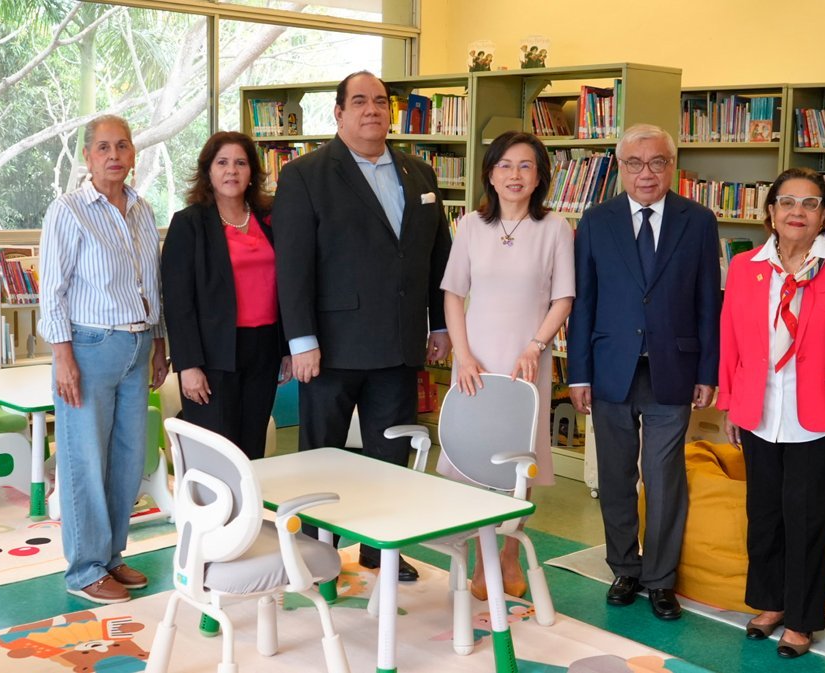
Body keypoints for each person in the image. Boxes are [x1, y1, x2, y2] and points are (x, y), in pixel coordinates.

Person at [272, 71, 452, 581]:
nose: (372, 109)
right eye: (360, 102)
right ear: (339, 113)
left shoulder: (419, 174)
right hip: (331, 347)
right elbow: (294, 265)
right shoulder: (305, 174)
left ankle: (382, 551)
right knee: (322, 456)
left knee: (390, 452)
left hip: (398, 344)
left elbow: (437, 257)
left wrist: (439, 325)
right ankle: (314, 554)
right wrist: (301, 340)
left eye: (380, 101)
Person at [718, 167, 825, 658]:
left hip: (823, 411)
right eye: (787, 202)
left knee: (806, 517)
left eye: (809, 204)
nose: (797, 212)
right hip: (759, 406)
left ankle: (803, 617)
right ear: (770, 212)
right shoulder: (746, 266)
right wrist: (730, 402)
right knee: (763, 513)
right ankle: (769, 602)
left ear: (824, 216)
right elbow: (731, 340)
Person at [567, 123, 721, 620]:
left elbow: (706, 301)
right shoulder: (595, 221)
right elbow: (584, 302)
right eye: (634, 163)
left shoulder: (697, 221)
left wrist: (708, 370)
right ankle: (624, 567)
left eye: (657, 162)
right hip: (610, 368)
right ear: (621, 168)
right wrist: (578, 374)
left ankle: (660, 578)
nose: (646, 173)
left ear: (672, 167)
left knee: (663, 475)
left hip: (673, 369)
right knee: (615, 474)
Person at [38, 115, 169, 604]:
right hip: (89, 349)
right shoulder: (68, 211)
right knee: (84, 462)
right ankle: (84, 569)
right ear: (88, 157)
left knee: (127, 462)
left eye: (123, 146)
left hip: (137, 348)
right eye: (103, 148)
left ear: (133, 153)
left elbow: (150, 284)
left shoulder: (140, 208)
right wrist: (62, 357)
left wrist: (159, 342)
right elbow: (52, 291)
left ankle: (111, 556)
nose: (114, 155)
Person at [441, 130, 574, 599]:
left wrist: (536, 345)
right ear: (490, 174)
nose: (514, 175)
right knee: (475, 454)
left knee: (521, 458)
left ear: (539, 177)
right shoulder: (472, 226)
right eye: (505, 166)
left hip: (526, 359)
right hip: (475, 358)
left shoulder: (556, 228)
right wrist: (462, 353)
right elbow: (454, 294)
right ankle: (481, 554)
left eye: (525, 166)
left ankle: (511, 552)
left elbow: (563, 298)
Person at [161, 131, 290, 460]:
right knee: (216, 449)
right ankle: (211, 512)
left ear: (252, 173)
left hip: (264, 349)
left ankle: (249, 512)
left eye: (240, 163)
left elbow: (288, 285)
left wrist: (289, 347)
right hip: (213, 354)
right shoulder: (189, 224)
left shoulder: (271, 219)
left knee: (252, 447)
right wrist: (188, 365)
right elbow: (178, 301)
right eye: (222, 163)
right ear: (208, 171)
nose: (231, 171)